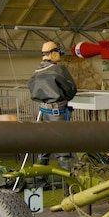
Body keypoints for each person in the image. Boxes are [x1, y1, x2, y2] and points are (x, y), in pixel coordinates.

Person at [27, 41, 78, 184]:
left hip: (42, 111)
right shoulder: (59, 70)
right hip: (58, 112)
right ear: (54, 53)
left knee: (44, 147)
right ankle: (69, 187)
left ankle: (39, 181)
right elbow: (71, 90)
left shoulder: (38, 70)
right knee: (63, 151)